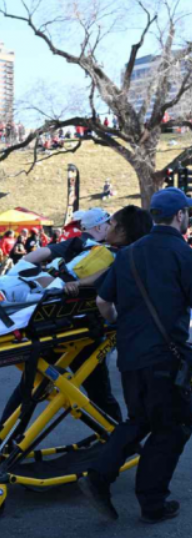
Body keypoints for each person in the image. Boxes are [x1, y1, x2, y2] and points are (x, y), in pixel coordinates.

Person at [81, 188, 192, 524]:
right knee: (172, 427)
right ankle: (152, 503)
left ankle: (99, 476)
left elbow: (103, 303)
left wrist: (121, 323)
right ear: (180, 215)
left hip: (130, 355)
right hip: (167, 357)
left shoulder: (126, 254)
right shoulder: (182, 253)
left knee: (140, 419)